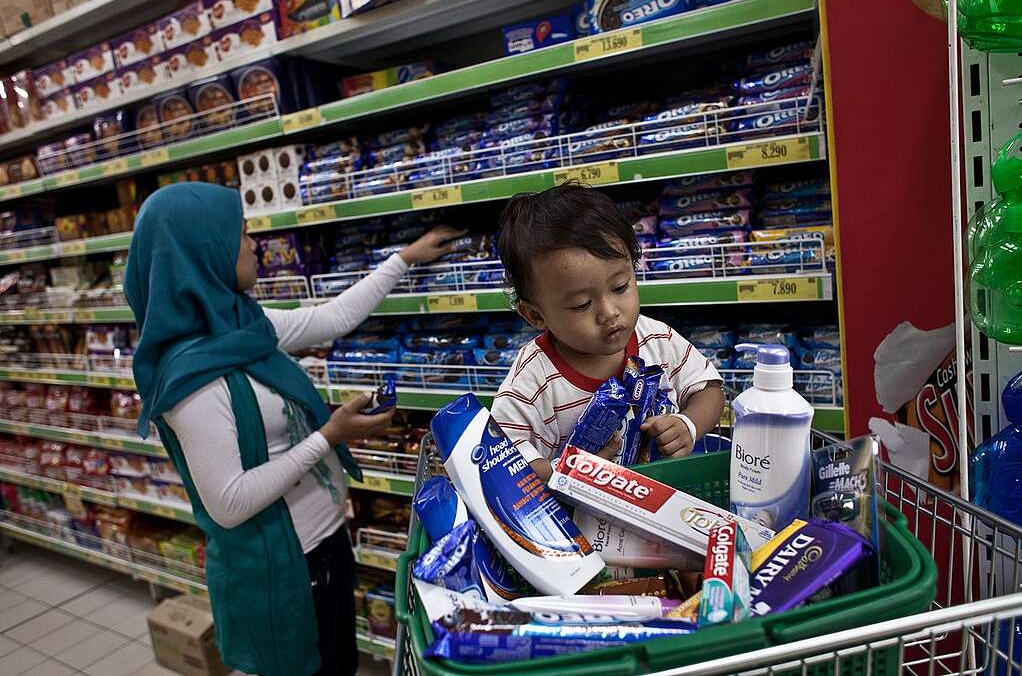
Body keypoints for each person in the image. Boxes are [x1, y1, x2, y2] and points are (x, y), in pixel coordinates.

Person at [123, 182, 463, 676]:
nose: (254, 245)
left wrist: (404, 258)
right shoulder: (194, 382)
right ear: (205, 252)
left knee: (339, 665)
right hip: (285, 569)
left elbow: (331, 318)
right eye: (241, 234)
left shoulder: (241, 326)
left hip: (324, 544)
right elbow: (230, 502)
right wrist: (328, 436)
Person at [490, 182, 726, 481]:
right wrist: (568, 472)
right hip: (576, 507)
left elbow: (708, 389)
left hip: (663, 491)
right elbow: (504, 460)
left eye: (620, 287)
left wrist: (688, 425)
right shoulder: (534, 379)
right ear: (536, 315)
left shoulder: (656, 338)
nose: (610, 312)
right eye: (582, 304)